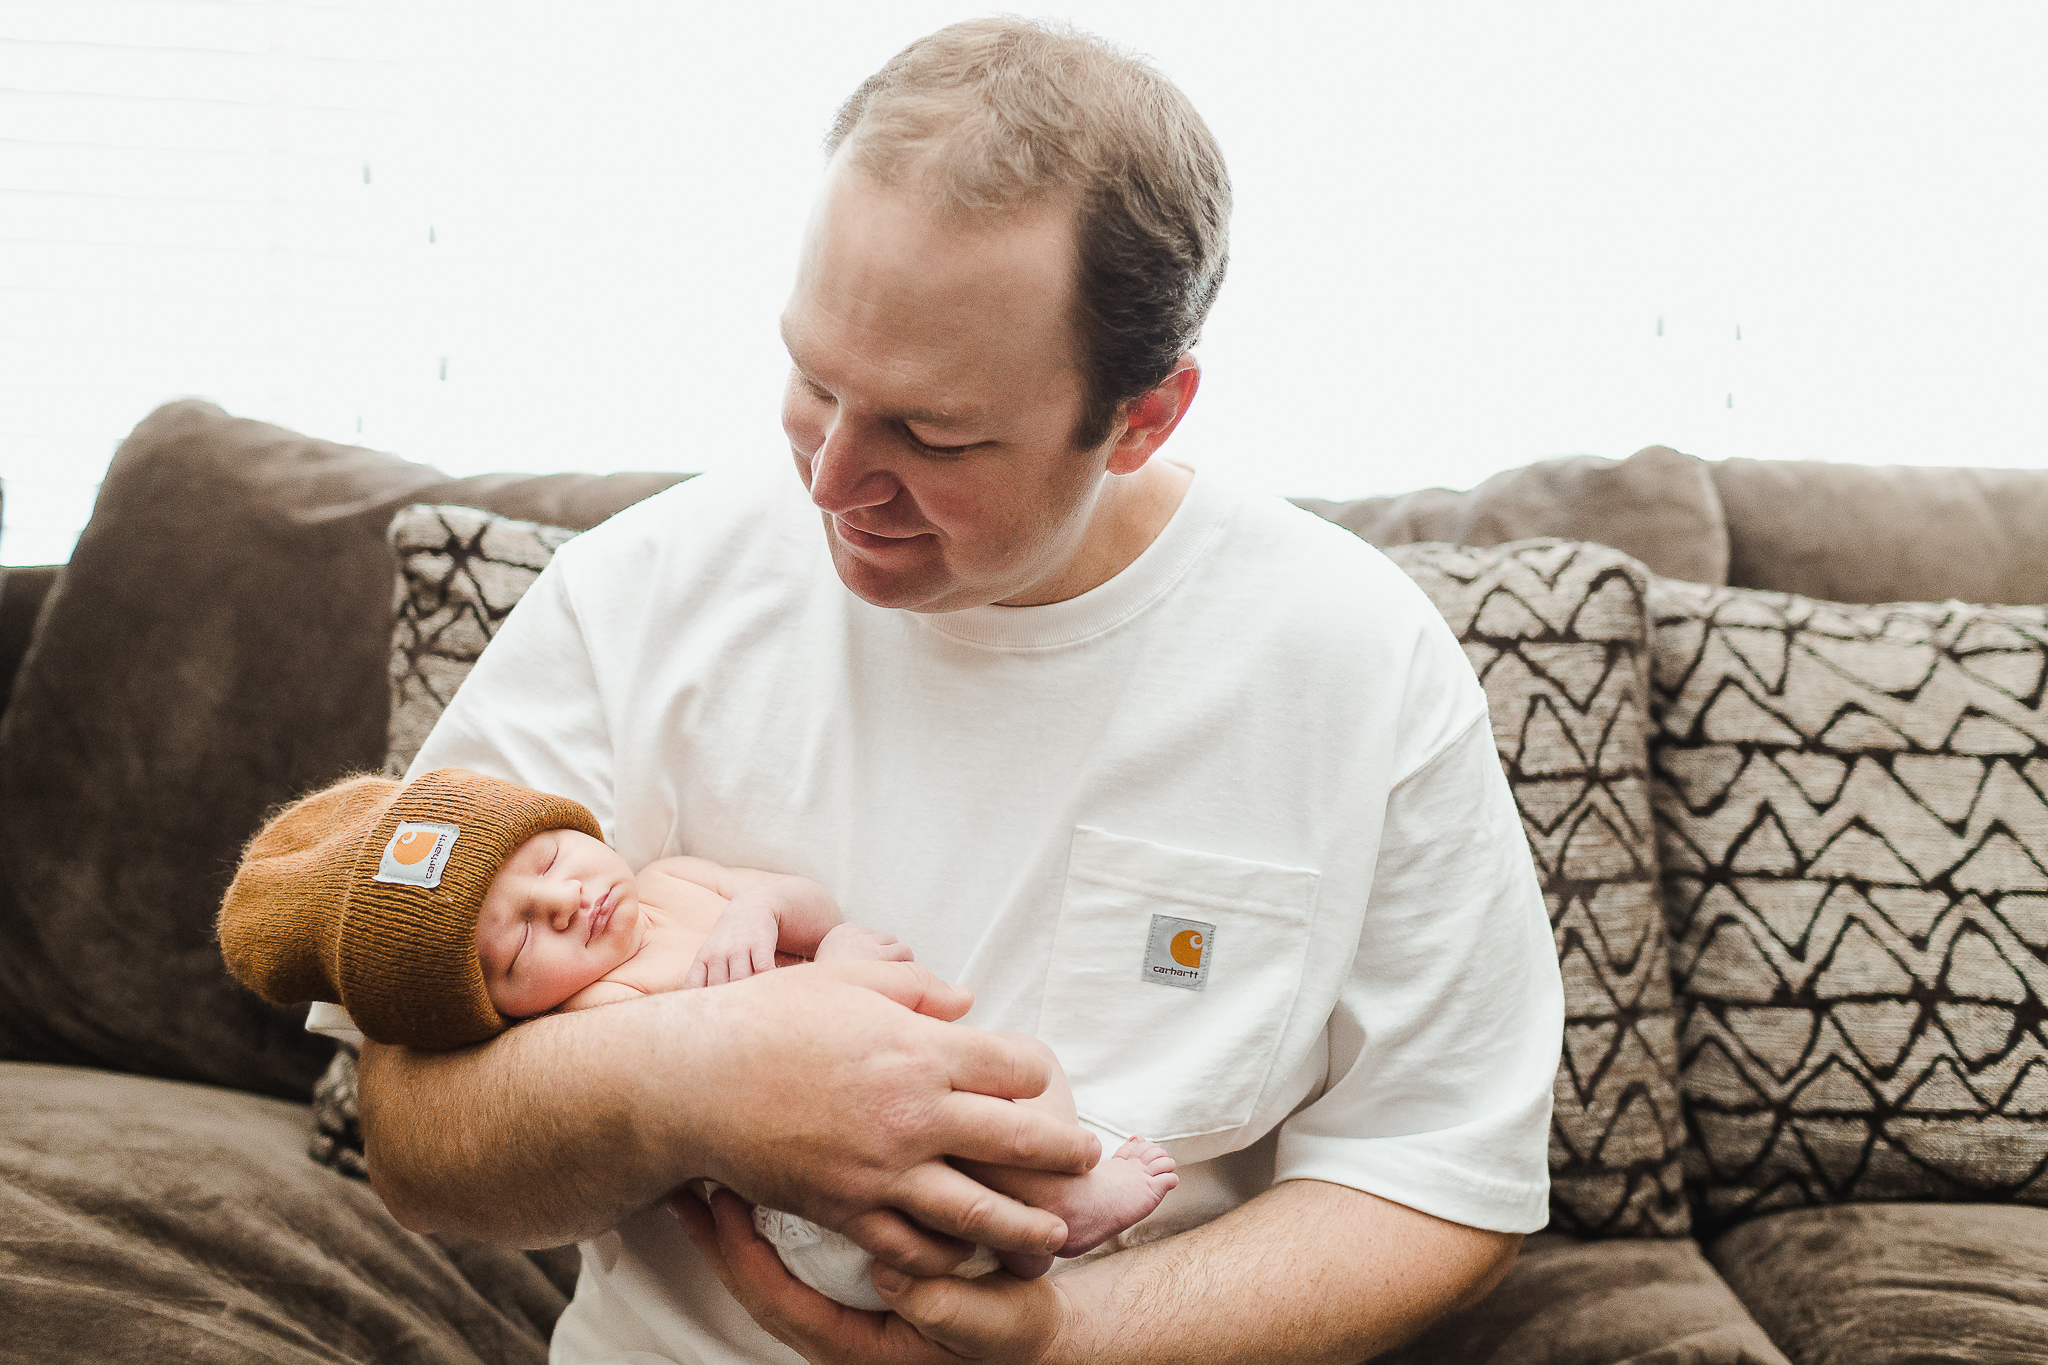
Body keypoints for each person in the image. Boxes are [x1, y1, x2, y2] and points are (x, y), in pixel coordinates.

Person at [347, 17, 1565, 1365]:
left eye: (933, 434)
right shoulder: (632, 595)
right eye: (813, 379)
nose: (829, 482)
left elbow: (1440, 1175)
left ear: (1145, 416)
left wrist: (1057, 1339)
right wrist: (697, 1084)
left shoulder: (1355, 662)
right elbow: (411, 1130)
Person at [217, 767, 1178, 1308]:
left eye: (549, 859)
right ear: (502, 1014)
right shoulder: (594, 1012)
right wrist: (823, 999)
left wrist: (798, 926)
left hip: (915, 1067)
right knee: (882, 1232)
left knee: (1029, 1070)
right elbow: (709, 1079)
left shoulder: (679, 881)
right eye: (517, 944)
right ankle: (1032, 1232)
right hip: (809, 1197)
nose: (567, 901)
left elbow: (805, 909)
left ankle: (1055, 1216)